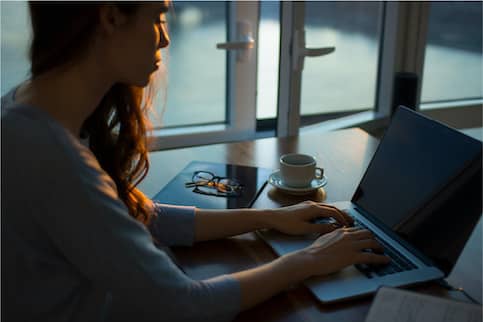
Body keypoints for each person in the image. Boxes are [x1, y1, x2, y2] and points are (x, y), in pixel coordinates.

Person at [1, 2, 389, 321]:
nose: (166, 37)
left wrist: (266, 218)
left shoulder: (25, 107)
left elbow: (135, 215)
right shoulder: (53, 159)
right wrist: (307, 261)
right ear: (110, 17)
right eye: (158, 17)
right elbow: (184, 305)